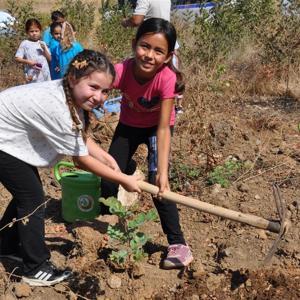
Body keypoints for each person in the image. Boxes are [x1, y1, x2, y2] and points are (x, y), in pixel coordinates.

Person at [0, 49, 141, 286]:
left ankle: (5, 243)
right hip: (2, 139)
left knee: (27, 192)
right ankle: (35, 268)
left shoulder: (68, 95)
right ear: (74, 78)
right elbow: (81, 159)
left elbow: (80, 137)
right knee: (32, 198)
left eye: (105, 91)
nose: (99, 96)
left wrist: (105, 156)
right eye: (94, 87)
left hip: (8, 135)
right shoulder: (57, 105)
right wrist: (123, 179)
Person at [100, 18, 193, 269]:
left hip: (156, 128)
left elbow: (163, 128)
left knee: (158, 185)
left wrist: (162, 172)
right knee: (108, 176)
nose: (149, 55)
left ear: (168, 55)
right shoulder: (122, 70)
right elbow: (96, 86)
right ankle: (107, 221)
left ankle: (178, 244)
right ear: (134, 44)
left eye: (158, 51)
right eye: (144, 46)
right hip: (129, 126)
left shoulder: (166, 79)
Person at [121, 0, 184, 114]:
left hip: (150, 40)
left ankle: (146, 109)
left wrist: (125, 22)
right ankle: (176, 107)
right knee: (172, 77)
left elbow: (137, 20)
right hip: (167, 41)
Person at [15, 18, 51, 83]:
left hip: (45, 74)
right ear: (27, 32)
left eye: (36, 31)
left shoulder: (42, 43)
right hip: (32, 75)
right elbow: (17, 58)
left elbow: (49, 59)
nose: (34, 33)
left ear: (40, 31)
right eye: (31, 31)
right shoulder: (25, 43)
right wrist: (28, 62)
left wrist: (44, 49)